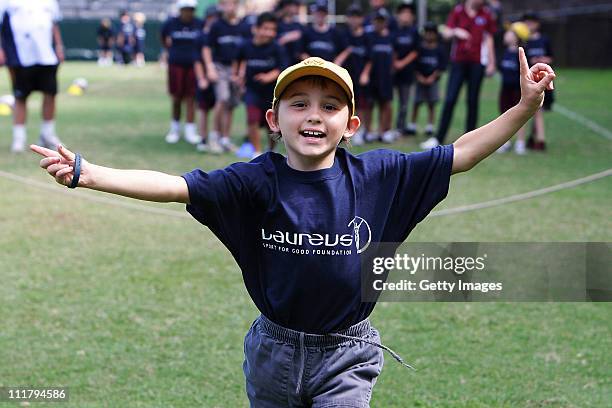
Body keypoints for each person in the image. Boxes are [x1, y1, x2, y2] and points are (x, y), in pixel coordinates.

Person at [32, 53, 555, 406]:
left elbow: (460, 153)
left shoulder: (379, 176)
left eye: (330, 107)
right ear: (273, 120)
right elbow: (173, 185)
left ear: (350, 124)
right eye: (298, 104)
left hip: (347, 355)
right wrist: (88, 173)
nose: (314, 116)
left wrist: (525, 107)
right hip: (273, 353)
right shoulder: (254, 181)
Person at [421, 0, 497, 150]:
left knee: (472, 100)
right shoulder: (457, 11)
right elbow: (446, 33)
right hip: (458, 62)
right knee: (450, 99)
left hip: (477, 63)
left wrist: (491, 63)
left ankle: (471, 139)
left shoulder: (486, 14)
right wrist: (456, 31)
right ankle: (438, 137)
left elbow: (489, 39)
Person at [0, 0, 64, 153]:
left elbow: (54, 24)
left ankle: (47, 134)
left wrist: (59, 45)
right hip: (20, 56)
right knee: (20, 96)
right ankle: (19, 137)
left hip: (46, 55)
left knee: (50, 94)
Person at [234, 12, 286, 157]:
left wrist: (268, 76)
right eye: (265, 28)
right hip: (252, 90)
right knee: (252, 119)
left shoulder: (277, 48)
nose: (269, 33)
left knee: (272, 124)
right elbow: (238, 61)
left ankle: (271, 151)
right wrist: (237, 75)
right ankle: (256, 153)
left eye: (272, 29)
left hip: (272, 92)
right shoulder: (245, 46)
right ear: (256, 29)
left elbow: (282, 68)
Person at [161, 0, 203, 145]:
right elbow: (163, 38)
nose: (188, 12)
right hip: (175, 65)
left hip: (193, 66)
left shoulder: (199, 23)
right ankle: (175, 129)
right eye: (185, 9)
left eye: (191, 9)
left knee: (191, 98)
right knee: (176, 98)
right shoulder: (170, 23)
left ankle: (190, 130)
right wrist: (170, 52)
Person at [204, 0, 243, 151]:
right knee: (222, 98)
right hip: (220, 67)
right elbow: (207, 48)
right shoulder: (217, 25)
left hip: (235, 69)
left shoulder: (243, 26)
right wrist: (210, 68)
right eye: (224, 4)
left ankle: (225, 139)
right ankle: (214, 138)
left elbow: (244, 52)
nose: (228, 7)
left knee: (231, 104)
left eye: (230, 3)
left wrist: (240, 72)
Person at [360, 8, 395, 143]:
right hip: (372, 77)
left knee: (385, 104)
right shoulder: (368, 37)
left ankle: (384, 131)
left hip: (386, 77)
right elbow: (367, 58)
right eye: (377, 20)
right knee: (369, 104)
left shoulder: (390, 37)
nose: (379, 23)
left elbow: (394, 56)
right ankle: (368, 131)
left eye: (381, 20)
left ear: (386, 22)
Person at [337, 4, 369, 145]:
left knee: (362, 104)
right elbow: (338, 56)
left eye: (357, 17)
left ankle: (361, 132)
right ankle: (344, 130)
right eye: (351, 17)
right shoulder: (343, 35)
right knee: (346, 104)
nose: (354, 20)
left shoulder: (367, 36)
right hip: (346, 76)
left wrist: (365, 73)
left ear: (361, 18)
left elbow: (370, 58)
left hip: (361, 76)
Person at [496, 22, 529, 155]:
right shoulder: (505, 52)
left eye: (510, 32)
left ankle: (520, 143)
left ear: (517, 37)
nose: (506, 34)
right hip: (505, 88)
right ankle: (505, 142)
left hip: (518, 89)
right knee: (504, 115)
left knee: (519, 116)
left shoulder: (520, 54)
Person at [410, 22, 447, 138]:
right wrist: (420, 77)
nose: (429, 35)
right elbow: (414, 65)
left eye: (432, 33)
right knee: (416, 102)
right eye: (427, 33)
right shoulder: (420, 48)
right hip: (420, 79)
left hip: (433, 81)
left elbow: (442, 66)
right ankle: (412, 124)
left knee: (432, 103)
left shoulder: (440, 49)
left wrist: (432, 77)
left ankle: (430, 125)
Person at [194, 5, 222, 154]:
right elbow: (197, 60)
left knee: (220, 105)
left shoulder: (218, 34)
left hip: (219, 76)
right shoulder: (201, 36)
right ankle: (203, 138)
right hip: (205, 76)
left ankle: (217, 137)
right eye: (213, 17)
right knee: (203, 109)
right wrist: (201, 78)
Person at [524, 12, 553, 151]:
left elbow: (551, 57)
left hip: (543, 78)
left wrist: (544, 60)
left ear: (537, 24)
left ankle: (538, 140)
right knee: (531, 109)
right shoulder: (524, 40)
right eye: (527, 22)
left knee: (538, 110)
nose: (529, 25)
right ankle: (533, 139)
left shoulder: (545, 39)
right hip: (529, 79)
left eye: (532, 22)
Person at [392, 1, 419, 137]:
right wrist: (394, 62)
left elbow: (416, 51)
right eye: (403, 13)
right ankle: (385, 129)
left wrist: (402, 63)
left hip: (407, 73)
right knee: (388, 101)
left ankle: (400, 127)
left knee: (404, 102)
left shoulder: (414, 31)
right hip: (392, 72)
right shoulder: (393, 29)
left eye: (408, 13)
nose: (406, 16)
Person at [276, 0, 303, 66]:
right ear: (286, 6)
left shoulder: (298, 25)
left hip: (295, 63)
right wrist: (286, 38)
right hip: (280, 62)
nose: (297, 7)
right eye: (295, 5)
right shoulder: (277, 24)